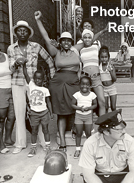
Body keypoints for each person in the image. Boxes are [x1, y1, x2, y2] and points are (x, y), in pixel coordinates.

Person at [35, 11, 105, 152]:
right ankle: (62, 141)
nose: (66, 42)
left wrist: (101, 31)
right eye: (63, 40)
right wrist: (38, 20)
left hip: (74, 82)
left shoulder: (75, 49)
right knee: (61, 113)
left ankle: (76, 130)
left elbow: (89, 38)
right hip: (58, 83)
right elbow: (45, 37)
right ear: (60, 42)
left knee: (74, 108)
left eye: (68, 40)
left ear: (71, 42)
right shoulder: (56, 52)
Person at [8, 20, 55, 154]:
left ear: (29, 33)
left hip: (34, 85)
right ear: (16, 33)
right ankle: (20, 143)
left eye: (25, 30)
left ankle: (43, 142)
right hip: (17, 83)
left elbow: (49, 60)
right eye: (19, 30)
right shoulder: (11, 48)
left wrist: (51, 76)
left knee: (38, 109)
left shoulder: (36, 46)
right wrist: (16, 64)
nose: (22, 33)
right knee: (20, 113)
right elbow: (10, 69)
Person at [78, 109, 134, 183]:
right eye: (119, 130)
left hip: (123, 175)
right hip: (99, 176)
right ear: (106, 132)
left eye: (123, 128)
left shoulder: (129, 141)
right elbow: (88, 175)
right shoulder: (90, 144)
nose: (124, 132)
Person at [23, 64, 53, 157]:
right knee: (34, 131)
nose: (37, 80)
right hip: (34, 113)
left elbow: (48, 102)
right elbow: (26, 75)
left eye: (39, 79)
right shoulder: (31, 85)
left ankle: (48, 147)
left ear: (43, 79)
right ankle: (33, 148)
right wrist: (24, 65)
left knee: (45, 130)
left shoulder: (45, 90)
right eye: (36, 78)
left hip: (44, 112)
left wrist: (51, 113)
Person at [80, 27, 109, 116]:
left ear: (92, 38)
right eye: (85, 37)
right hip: (85, 78)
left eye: (89, 37)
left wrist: (103, 31)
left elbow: (104, 58)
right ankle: (89, 126)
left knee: (102, 101)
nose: (87, 39)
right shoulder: (80, 49)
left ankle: (103, 125)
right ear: (82, 39)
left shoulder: (96, 47)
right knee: (86, 102)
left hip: (96, 77)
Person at [71, 76, 97, 159]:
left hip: (88, 116)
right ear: (79, 85)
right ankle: (78, 149)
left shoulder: (92, 95)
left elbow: (95, 105)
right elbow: (72, 105)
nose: (84, 86)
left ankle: (89, 150)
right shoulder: (77, 95)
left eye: (87, 84)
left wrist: (89, 108)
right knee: (78, 133)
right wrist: (79, 108)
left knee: (88, 134)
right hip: (79, 116)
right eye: (82, 84)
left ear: (90, 85)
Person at [99, 46, 117, 112]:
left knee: (113, 107)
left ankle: (115, 120)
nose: (104, 59)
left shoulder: (111, 66)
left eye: (105, 57)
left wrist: (110, 71)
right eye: (102, 57)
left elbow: (115, 79)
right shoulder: (99, 67)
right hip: (104, 89)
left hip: (112, 88)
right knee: (106, 107)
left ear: (108, 58)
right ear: (99, 58)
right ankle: (107, 120)